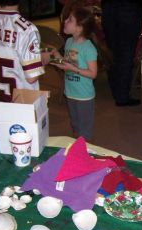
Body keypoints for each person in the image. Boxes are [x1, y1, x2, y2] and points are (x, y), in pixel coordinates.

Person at [0, 0, 45, 138]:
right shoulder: (26, 29)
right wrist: (42, 58)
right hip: (18, 104)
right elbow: (32, 76)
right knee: (23, 147)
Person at [50, 7, 97, 141]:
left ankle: (84, 151)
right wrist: (56, 55)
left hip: (84, 96)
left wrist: (73, 68)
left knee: (84, 130)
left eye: (70, 20)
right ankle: (78, 146)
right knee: (75, 125)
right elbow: (67, 64)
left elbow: (93, 73)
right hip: (70, 92)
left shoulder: (88, 48)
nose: (65, 21)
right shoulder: (69, 42)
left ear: (79, 28)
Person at [101, 0, 142, 106]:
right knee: (126, 53)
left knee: (113, 51)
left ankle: (116, 89)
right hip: (128, 10)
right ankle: (122, 96)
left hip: (108, 9)